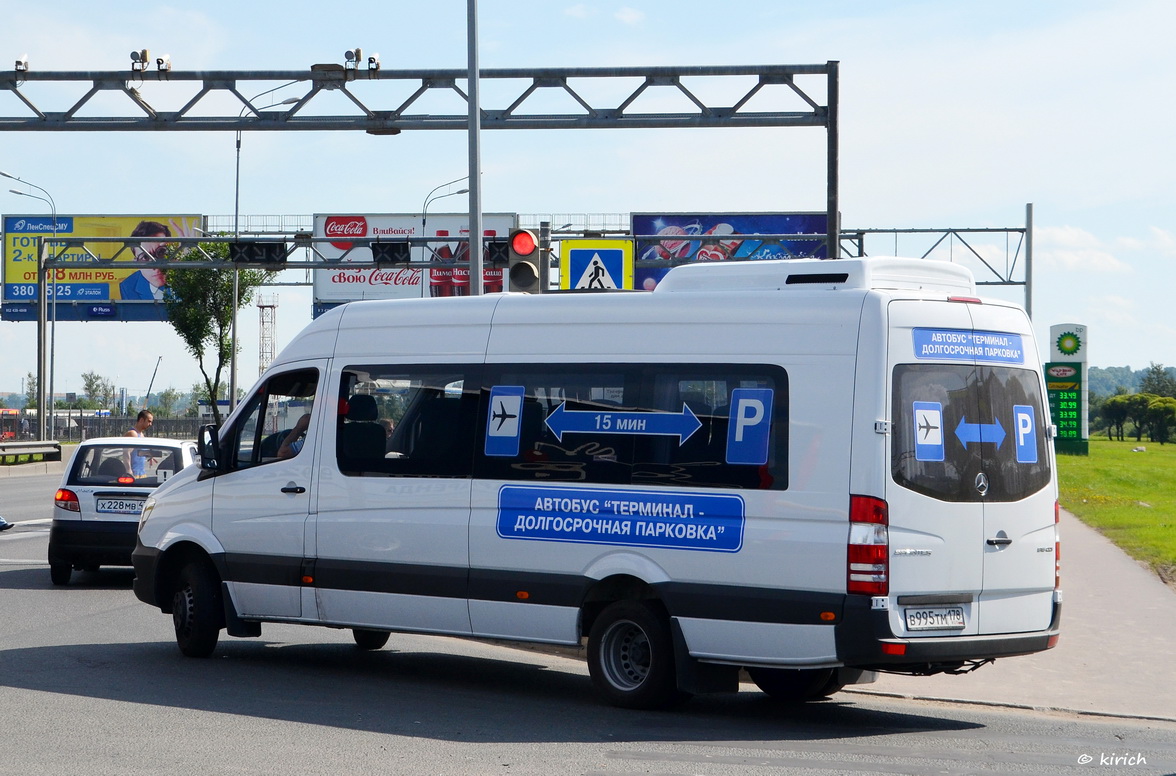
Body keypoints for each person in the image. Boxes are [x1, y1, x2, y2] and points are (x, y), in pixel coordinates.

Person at [118, 217, 197, 301]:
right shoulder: (128, 286)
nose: (155, 266)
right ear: (135, 263)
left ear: (173, 253)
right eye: (145, 257)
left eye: (161, 253)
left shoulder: (186, 276)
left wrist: (189, 260)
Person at [125, 410, 154, 477]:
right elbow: (126, 453)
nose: (150, 424)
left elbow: (138, 452)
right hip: (133, 473)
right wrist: (129, 471)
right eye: (149, 421)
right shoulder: (132, 434)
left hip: (141, 473)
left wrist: (149, 454)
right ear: (141, 420)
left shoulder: (141, 434)